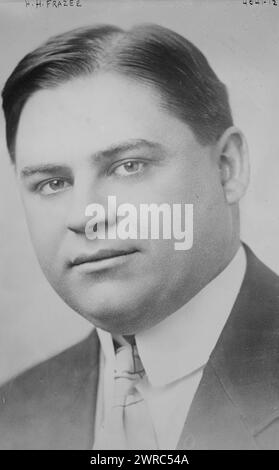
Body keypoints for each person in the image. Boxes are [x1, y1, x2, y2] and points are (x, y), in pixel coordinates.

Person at [0, 23, 279, 450]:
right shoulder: (12, 412)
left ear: (227, 167)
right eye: (52, 183)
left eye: (128, 166)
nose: (84, 216)